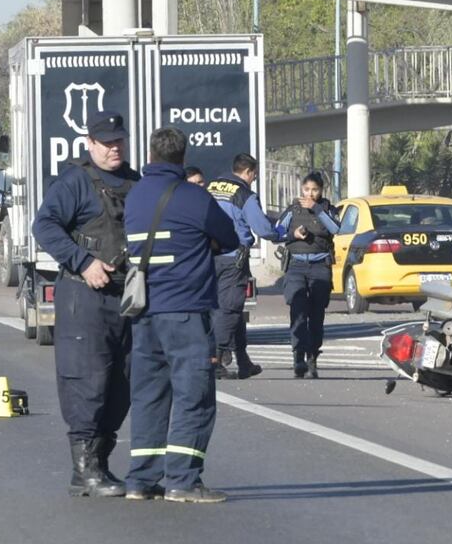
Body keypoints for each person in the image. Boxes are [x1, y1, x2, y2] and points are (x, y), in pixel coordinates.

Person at [123, 127, 239, 503]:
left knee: (149, 396)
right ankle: (183, 482)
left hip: (144, 315)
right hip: (186, 311)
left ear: (151, 154)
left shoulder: (135, 195)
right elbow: (231, 237)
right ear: (182, 157)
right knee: (195, 396)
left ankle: (141, 480)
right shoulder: (194, 197)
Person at [31, 110, 139, 499]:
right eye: (107, 142)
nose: (114, 148)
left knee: (122, 383)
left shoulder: (134, 180)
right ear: (89, 143)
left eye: (119, 141)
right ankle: (85, 469)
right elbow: (44, 226)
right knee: (87, 382)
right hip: (84, 297)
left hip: (126, 298)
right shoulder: (74, 181)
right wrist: (83, 261)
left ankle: (102, 463)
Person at [207, 153, 282, 379]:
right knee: (229, 308)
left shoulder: (211, 186)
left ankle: (243, 360)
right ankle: (216, 359)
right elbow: (262, 228)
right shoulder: (245, 194)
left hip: (208, 255)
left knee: (229, 310)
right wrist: (281, 233)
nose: (253, 179)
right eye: (254, 176)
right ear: (248, 172)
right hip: (233, 258)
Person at [275, 173, 340, 378]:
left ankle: (312, 356)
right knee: (298, 311)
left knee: (316, 314)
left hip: (320, 266)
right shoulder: (293, 209)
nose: (310, 193)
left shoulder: (327, 209)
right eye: (306, 189)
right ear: (301, 189)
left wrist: (317, 209)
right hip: (295, 266)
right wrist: (292, 234)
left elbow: (336, 228)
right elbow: (276, 231)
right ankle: (298, 356)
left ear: (321, 191)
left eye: (314, 190)